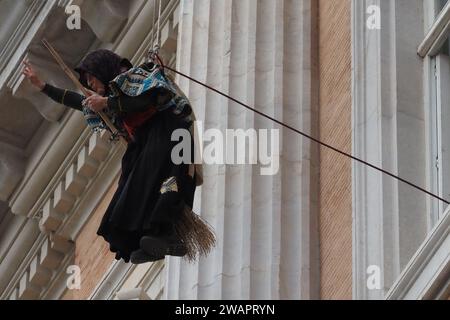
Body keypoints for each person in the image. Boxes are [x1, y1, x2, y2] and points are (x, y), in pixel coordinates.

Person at [22, 49, 214, 264]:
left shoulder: (138, 76)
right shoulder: (110, 99)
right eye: (88, 83)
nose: (91, 86)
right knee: (127, 193)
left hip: (166, 132)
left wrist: (107, 103)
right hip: (144, 144)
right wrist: (42, 87)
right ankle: (140, 239)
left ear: (102, 70)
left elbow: (146, 101)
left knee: (162, 183)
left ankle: (165, 231)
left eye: (92, 79)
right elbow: (80, 101)